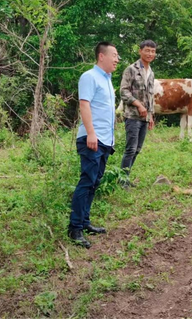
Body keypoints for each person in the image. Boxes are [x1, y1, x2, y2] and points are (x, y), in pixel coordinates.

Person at [68, 42, 119, 248]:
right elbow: (84, 104)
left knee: (95, 182)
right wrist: (91, 133)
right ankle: (75, 228)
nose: (117, 59)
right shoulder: (89, 77)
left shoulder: (107, 80)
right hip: (92, 138)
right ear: (101, 56)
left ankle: (85, 221)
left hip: (105, 140)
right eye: (114, 55)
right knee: (87, 182)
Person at [119, 40, 157, 186]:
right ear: (140, 51)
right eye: (147, 50)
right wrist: (138, 105)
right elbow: (123, 91)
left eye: (153, 51)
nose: (150, 54)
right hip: (132, 116)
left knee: (138, 149)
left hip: (144, 118)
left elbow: (150, 96)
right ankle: (122, 180)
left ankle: (126, 178)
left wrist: (151, 115)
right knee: (130, 149)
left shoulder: (151, 73)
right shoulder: (131, 69)